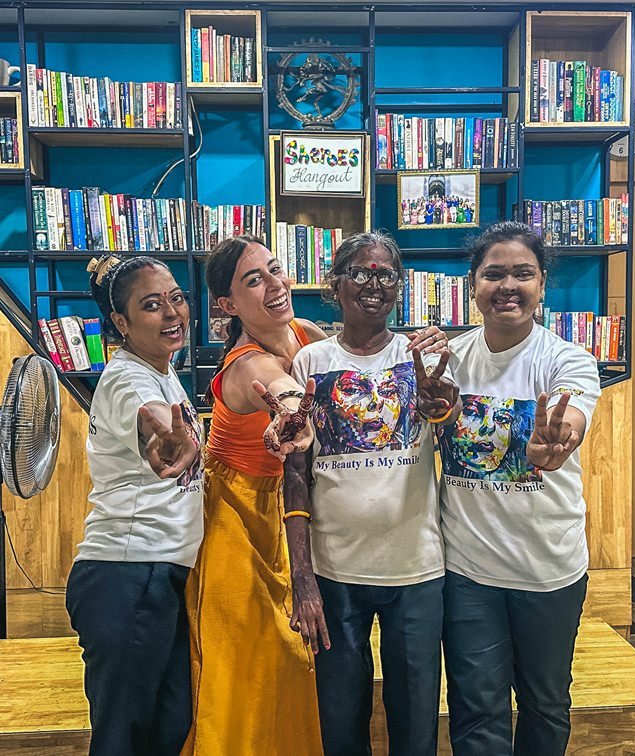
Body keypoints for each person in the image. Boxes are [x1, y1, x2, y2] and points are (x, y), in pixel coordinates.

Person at [183, 234, 448, 755]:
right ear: (227, 304)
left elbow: (393, 379)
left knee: (304, 673)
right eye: (253, 280)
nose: (274, 284)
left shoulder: (307, 338)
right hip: (244, 517)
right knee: (256, 667)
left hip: (312, 517)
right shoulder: (247, 362)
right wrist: (289, 414)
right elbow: (280, 392)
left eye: (275, 270)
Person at [284, 231, 457, 756]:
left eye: (386, 275)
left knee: (416, 727)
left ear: (400, 286)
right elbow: (295, 475)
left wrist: (441, 405)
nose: (373, 285)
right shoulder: (310, 363)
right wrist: (303, 579)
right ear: (335, 284)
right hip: (336, 576)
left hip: (418, 570)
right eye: (360, 272)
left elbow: (448, 426)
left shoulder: (424, 357)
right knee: (339, 725)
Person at [432, 221, 601, 755]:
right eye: (494, 274)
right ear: (473, 285)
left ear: (542, 284)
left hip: (549, 570)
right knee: (475, 708)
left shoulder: (567, 359)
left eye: (523, 273)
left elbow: (570, 418)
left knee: (546, 705)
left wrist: (559, 439)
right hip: (468, 573)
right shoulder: (449, 361)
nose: (508, 285)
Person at [65, 254, 204, 756]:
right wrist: (169, 436)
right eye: (152, 306)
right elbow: (148, 416)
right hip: (125, 575)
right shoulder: (128, 379)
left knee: (167, 727)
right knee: (124, 737)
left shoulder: (163, 372)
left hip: (155, 574)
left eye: (177, 298)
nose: (172, 313)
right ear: (120, 323)